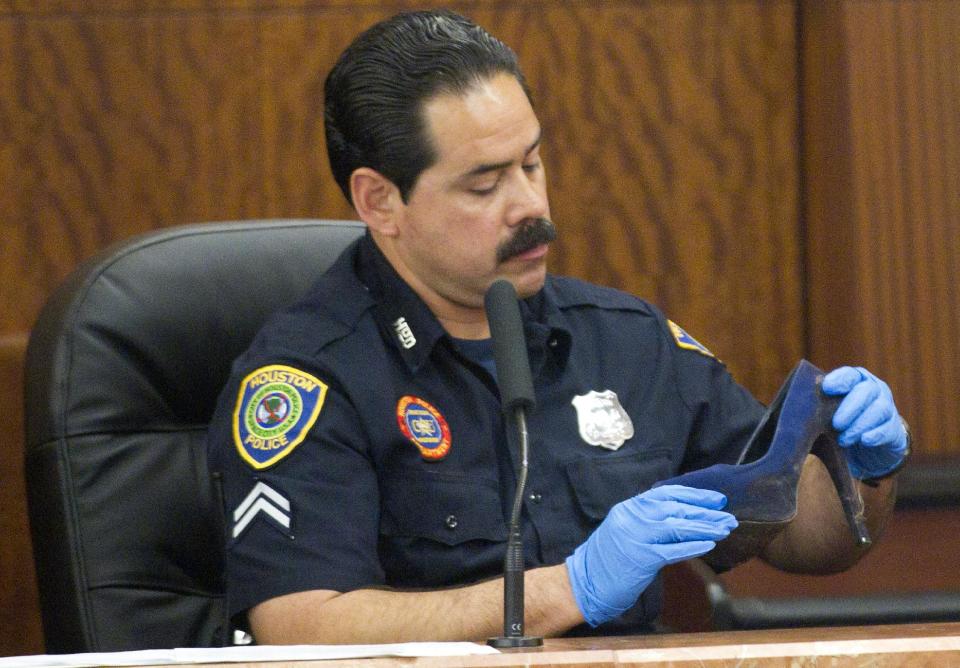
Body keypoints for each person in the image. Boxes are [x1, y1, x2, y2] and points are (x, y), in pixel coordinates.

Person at [206, 9, 909, 644]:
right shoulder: (309, 377)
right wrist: (567, 590)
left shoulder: (628, 340)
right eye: (485, 184)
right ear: (380, 201)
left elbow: (801, 538)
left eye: (533, 162)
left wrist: (865, 472)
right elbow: (302, 627)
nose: (530, 204)